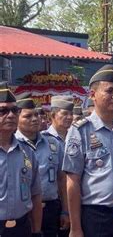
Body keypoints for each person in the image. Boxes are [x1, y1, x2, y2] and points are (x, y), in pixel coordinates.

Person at [62, 64, 113, 237]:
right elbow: (72, 182)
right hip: (97, 217)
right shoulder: (80, 131)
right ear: (93, 95)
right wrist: (75, 227)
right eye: (109, 91)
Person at [15, 95, 69, 237]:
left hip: (51, 208)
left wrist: (65, 210)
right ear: (17, 118)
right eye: (28, 116)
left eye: (36, 115)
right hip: (24, 210)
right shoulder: (13, 145)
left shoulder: (53, 144)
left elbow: (62, 179)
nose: (34, 119)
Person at [0, 83, 42, 237]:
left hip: (22, 227)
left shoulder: (27, 152)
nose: (10, 115)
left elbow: (36, 194)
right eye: (3, 111)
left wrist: (37, 231)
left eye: (14, 110)